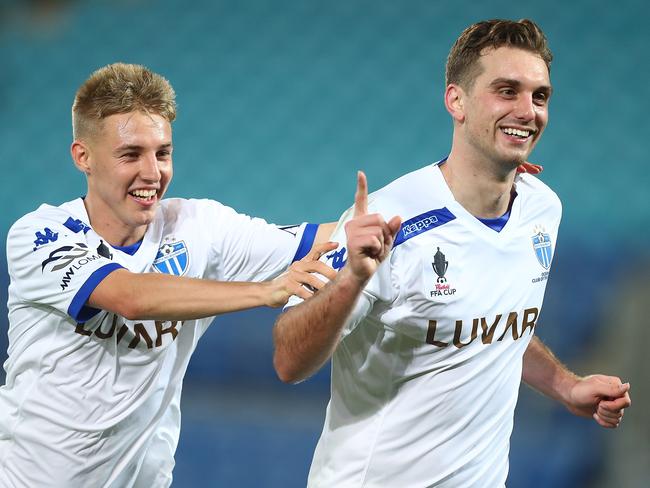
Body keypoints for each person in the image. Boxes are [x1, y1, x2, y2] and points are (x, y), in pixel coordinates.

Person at [272, 19, 632, 487]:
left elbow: (497, 324)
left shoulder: (543, 209)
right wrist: (352, 279)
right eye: (507, 91)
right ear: (455, 100)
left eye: (539, 96)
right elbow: (287, 360)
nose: (528, 111)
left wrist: (565, 386)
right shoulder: (389, 219)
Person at [0, 63, 338, 487]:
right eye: (130, 154)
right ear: (82, 156)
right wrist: (267, 291)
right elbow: (130, 297)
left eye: (163, 152)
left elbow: (332, 236)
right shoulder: (40, 235)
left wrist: (416, 213)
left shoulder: (198, 227)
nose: (152, 172)